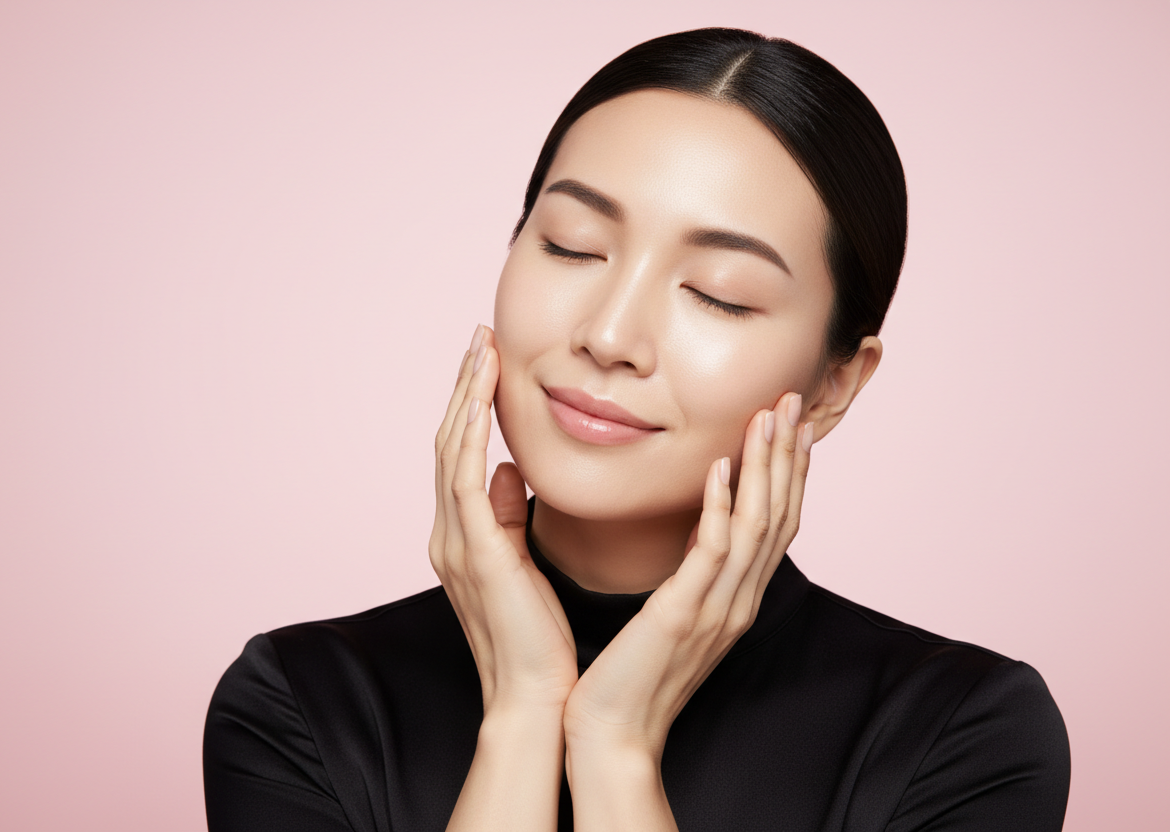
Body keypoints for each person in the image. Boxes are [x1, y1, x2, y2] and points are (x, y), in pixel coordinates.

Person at [203, 28, 1070, 832]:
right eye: (573, 245)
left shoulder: (961, 734)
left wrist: (616, 747)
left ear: (835, 383)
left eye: (719, 292)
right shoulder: (299, 705)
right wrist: (520, 712)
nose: (609, 336)